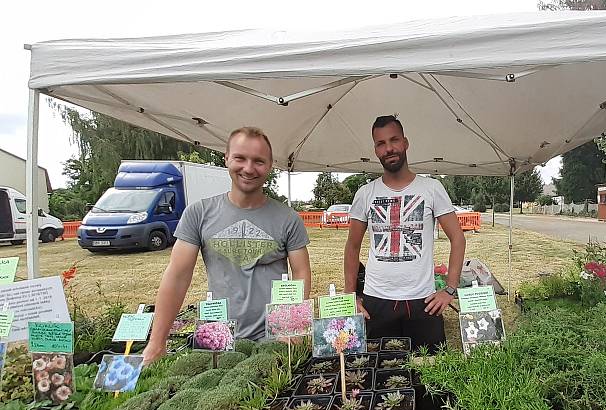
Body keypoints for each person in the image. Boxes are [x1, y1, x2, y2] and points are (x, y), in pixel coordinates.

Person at [142, 126, 311, 364]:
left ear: (270, 165)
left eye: (259, 161)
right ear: (226, 159)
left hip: (274, 340)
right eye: (240, 158)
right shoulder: (199, 213)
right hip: (219, 340)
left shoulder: (287, 218)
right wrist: (157, 341)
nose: (249, 168)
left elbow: (301, 272)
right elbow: (177, 276)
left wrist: (290, 324)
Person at [344, 115, 466, 352]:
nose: (389, 148)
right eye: (380, 143)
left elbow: (458, 239)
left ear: (406, 142)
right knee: (379, 376)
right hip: (376, 300)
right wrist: (351, 295)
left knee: (430, 376)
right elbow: (352, 246)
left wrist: (450, 289)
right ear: (376, 150)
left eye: (394, 140)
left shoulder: (431, 188)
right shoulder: (365, 193)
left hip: (423, 301)